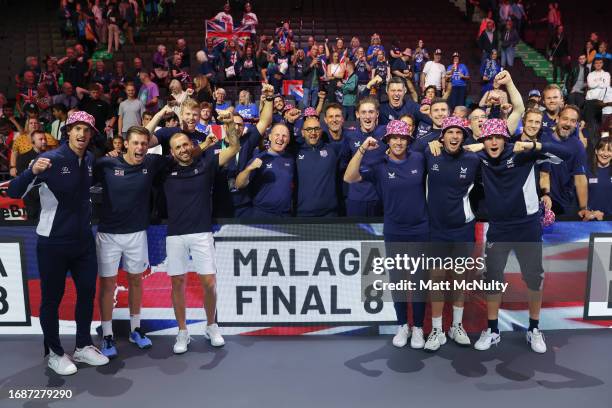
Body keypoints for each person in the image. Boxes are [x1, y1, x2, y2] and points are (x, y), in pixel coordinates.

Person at [7, 111, 109, 375]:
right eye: (77, 129)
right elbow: (14, 191)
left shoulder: (87, 159)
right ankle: (54, 352)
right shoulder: (50, 160)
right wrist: (31, 170)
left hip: (83, 241)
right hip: (53, 243)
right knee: (52, 299)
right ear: (68, 131)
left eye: (87, 131)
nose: (82, 135)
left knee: (87, 294)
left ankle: (83, 346)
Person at [466, 118, 574, 353]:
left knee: (534, 278)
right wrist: (473, 147)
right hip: (499, 228)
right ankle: (493, 330)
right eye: (488, 138)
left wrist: (533, 146)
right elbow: (453, 151)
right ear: (483, 140)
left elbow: (566, 153)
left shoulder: (523, 154)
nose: (493, 142)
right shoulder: (481, 157)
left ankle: (534, 328)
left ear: (506, 139)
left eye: (498, 137)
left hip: (527, 226)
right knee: (493, 278)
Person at [344, 120, 428, 349]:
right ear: (387, 141)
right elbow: (349, 178)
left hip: (420, 229)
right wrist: (362, 148)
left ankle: (418, 327)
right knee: (399, 282)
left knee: (420, 282)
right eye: (395, 138)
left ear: (408, 140)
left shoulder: (419, 159)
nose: (399, 142)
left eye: (403, 138)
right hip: (394, 230)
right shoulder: (380, 166)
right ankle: (403, 325)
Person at [94, 126, 174, 358]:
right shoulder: (106, 164)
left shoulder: (151, 163)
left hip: (137, 234)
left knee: (136, 282)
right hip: (108, 235)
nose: (140, 147)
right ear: (125, 144)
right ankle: (107, 335)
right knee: (108, 286)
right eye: (136, 143)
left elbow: (182, 154)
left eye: (144, 143)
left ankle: (135, 330)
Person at [165, 111, 240, 353]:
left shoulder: (206, 164)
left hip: (201, 233)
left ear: (192, 145)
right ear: (172, 152)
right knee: (178, 283)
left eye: (186, 144)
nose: (183, 149)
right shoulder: (164, 171)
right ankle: (182, 331)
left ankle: (211, 325)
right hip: (175, 234)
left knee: (209, 282)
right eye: (178, 147)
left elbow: (234, 148)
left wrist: (228, 125)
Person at [421, 116, 480, 351]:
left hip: (463, 229)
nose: (454, 136)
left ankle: (456, 326)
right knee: (436, 280)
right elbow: (408, 145)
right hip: (436, 230)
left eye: (459, 133)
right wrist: (429, 143)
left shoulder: (473, 159)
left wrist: (476, 145)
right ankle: (437, 329)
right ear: (442, 135)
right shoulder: (429, 154)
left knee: (459, 280)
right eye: (450, 132)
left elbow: (495, 147)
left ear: (464, 137)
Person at [235, 123, 294, 217]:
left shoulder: (291, 159)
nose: (280, 138)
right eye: (277, 135)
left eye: (284, 136)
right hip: (262, 214)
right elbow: (239, 184)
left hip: (285, 215)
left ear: (288, 139)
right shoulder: (259, 158)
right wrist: (249, 169)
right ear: (270, 137)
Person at [540, 105, 589, 217]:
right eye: (565, 119)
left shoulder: (577, 146)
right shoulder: (542, 138)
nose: (568, 124)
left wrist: (584, 208)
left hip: (564, 206)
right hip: (542, 201)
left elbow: (580, 179)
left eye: (573, 121)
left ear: (576, 124)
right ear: (557, 119)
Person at [586, 135, 612, 219]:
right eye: (602, 150)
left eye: (609, 151)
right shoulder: (586, 171)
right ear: (596, 151)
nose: (605, 154)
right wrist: (589, 213)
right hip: (592, 219)